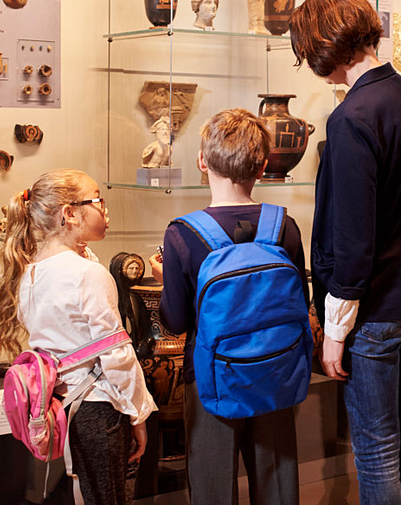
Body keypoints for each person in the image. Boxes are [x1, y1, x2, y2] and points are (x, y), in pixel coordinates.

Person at [289, 0, 401, 505]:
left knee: (378, 450)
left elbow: (353, 237)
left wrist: (335, 330)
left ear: (325, 44)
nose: (308, 63)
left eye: (306, 50)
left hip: (379, 306)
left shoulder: (352, 117)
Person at [148, 109, 309, 505]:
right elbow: (301, 304)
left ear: (202, 161)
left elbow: (175, 321)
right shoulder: (284, 226)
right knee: (278, 487)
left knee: (213, 489)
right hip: (276, 372)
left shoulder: (183, 234)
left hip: (211, 381)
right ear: (264, 165)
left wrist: (163, 280)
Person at [0, 169, 156, 505]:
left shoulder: (30, 272)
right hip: (100, 409)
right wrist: (139, 414)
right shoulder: (88, 274)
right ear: (69, 213)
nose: (105, 211)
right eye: (99, 201)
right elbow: (117, 355)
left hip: (60, 407)